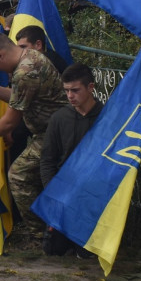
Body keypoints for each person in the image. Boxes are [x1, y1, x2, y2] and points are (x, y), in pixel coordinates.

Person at [0, 32, 62, 244]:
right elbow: (20, 97)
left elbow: (10, 121)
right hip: (49, 131)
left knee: (18, 175)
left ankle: (40, 234)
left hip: (54, 134)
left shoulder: (25, 72)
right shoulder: (28, 58)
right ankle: (47, 229)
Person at [39, 62, 104, 256]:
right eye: (66, 90)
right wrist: (54, 194)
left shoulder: (106, 118)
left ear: (90, 87)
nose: (70, 96)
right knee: (53, 249)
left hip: (94, 194)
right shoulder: (59, 118)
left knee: (87, 253)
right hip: (64, 192)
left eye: (75, 90)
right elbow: (47, 160)